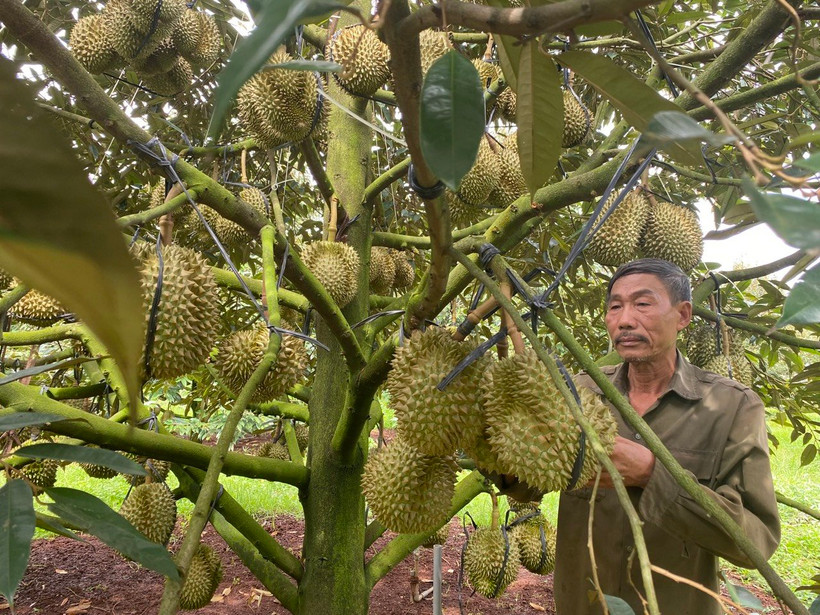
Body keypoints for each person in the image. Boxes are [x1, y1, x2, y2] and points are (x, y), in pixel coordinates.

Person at [553, 258, 780, 615]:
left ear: (683, 315)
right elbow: (525, 482)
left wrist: (652, 474)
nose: (625, 320)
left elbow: (755, 541)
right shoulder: (580, 393)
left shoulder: (732, 407)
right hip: (581, 603)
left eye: (643, 304)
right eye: (615, 306)